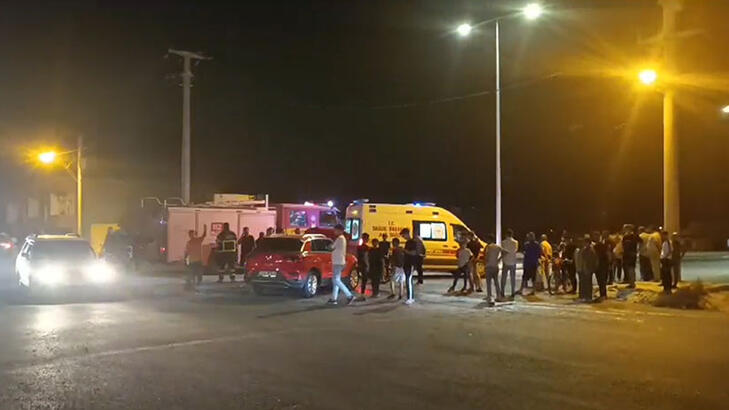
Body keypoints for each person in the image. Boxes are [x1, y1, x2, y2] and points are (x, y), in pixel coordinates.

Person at [328, 224, 356, 305]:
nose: (334, 231)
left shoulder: (340, 238)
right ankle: (334, 298)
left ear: (339, 230)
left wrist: (329, 246)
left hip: (338, 262)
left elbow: (331, 247)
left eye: (335, 230)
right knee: (336, 280)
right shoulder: (342, 238)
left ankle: (349, 296)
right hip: (339, 261)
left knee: (336, 280)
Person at [483, 234, 503, 306]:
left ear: (489, 240)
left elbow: (486, 256)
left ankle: (490, 297)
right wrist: (499, 259)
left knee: (488, 283)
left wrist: (485, 263)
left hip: (489, 266)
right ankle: (499, 296)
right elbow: (505, 252)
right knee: (496, 282)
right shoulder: (497, 247)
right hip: (495, 266)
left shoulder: (488, 247)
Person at [577, 234, 598, 302]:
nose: (584, 244)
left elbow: (593, 260)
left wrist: (591, 268)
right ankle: (585, 296)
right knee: (584, 283)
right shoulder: (584, 250)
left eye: (585, 242)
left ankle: (588, 296)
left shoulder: (591, 250)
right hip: (584, 268)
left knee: (588, 283)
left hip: (588, 268)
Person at [401, 228, 417, 305]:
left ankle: (410, 298)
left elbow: (413, 253)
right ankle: (410, 297)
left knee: (409, 280)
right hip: (407, 263)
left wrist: (404, 251)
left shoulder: (412, 242)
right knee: (408, 280)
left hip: (411, 264)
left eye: (403, 235)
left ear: (407, 234)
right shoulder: (408, 242)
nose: (403, 237)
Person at [593, 231, 611, 301]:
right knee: (601, 281)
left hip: (601, 265)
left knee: (601, 281)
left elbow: (605, 255)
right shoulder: (599, 245)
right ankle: (603, 295)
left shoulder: (599, 246)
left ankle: (603, 295)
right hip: (602, 265)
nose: (595, 237)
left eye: (596, 236)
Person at [501, 229, 519, 298]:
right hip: (513, 262)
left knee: (504, 278)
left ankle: (502, 292)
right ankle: (512, 292)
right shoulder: (516, 242)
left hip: (505, 261)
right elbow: (516, 250)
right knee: (512, 278)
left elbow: (503, 252)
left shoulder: (503, 242)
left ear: (506, 234)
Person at [660, 230, 673, 294]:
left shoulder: (667, 242)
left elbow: (670, 251)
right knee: (665, 274)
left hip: (666, 260)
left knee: (666, 274)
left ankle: (667, 287)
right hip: (665, 259)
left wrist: (664, 257)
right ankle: (666, 287)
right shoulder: (666, 242)